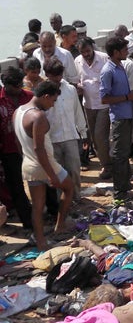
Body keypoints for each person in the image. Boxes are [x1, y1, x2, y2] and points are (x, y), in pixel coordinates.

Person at [14, 80, 74, 251]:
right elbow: (39, 148)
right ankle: (60, 225)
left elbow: (19, 143)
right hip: (45, 164)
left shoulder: (18, 112)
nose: (53, 105)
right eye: (53, 101)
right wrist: (52, 175)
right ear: (46, 96)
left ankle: (41, 242)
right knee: (69, 188)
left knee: (38, 208)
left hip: (28, 164)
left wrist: (27, 159)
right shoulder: (38, 116)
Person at [43, 58, 87, 202]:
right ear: (47, 74)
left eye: (59, 75)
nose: (57, 79)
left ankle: (75, 197)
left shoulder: (70, 90)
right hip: (51, 139)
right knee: (57, 173)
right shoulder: (42, 93)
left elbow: (77, 111)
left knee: (74, 170)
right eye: (54, 75)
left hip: (70, 136)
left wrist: (83, 132)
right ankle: (60, 202)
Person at [100, 37, 133, 200]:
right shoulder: (108, 71)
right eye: (124, 50)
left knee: (125, 152)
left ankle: (125, 183)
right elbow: (104, 98)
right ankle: (119, 190)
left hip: (128, 115)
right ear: (115, 52)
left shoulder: (120, 66)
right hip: (119, 118)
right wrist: (127, 97)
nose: (126, 52)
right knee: (119, 154)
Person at [0, 67, 34, 230]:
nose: (20, 88)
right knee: (16, 187)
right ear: (6, 85)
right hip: (8, 150)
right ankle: (27, 221)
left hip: (30, 147)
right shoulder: (0, 101)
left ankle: (47, 212)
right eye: (16, 85)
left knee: (38, 180)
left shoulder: (29, 97)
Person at [75, 37, 113, 180]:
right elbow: (77, 79)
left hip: (104, 104)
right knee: (94, 138)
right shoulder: (77, 61)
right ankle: (106, 162)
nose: (86, 54)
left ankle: (107, 166)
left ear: (92, 48)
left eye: (87, 51)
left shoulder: (103, 58)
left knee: (100, 135)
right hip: (88, 105)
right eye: (83, 52)